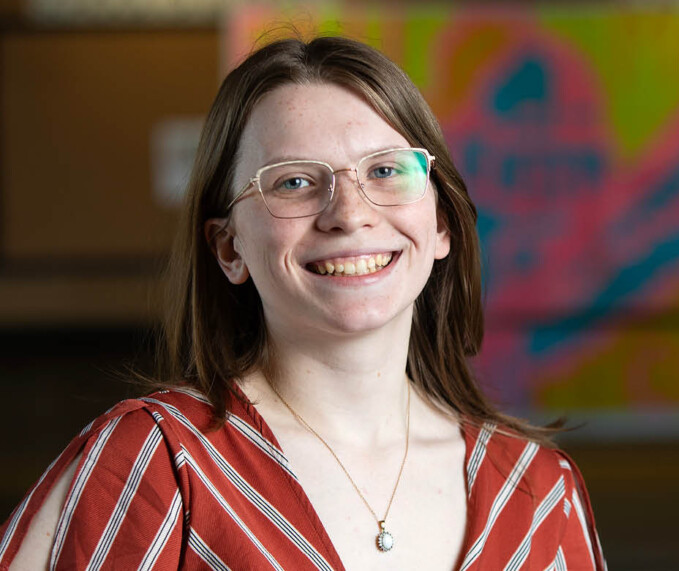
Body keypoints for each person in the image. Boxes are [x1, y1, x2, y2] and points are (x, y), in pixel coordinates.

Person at [0, 37, 605, 570]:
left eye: (387, 170)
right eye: (294, 181)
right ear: (228, 247)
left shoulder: (539, 493)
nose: (349, 213)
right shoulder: (153, 468)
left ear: (441, 222)